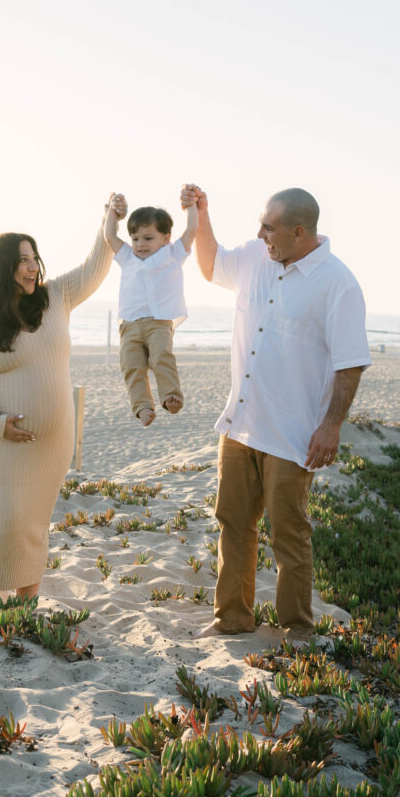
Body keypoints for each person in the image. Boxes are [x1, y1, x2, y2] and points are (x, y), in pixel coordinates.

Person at [186, 183, 370, 638]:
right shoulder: (255, 257)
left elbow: (350, 363)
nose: (260, 233)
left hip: (293, 433)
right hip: (241, 424)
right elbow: (209, 266)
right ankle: (231, 618)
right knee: (232, 524)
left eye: (269, 227)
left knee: (288, 534)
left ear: (299, 232)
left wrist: (331, 426)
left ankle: (297, 628)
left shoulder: (338, 283)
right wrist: (202, 216)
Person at [0, 199, 118, 599]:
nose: (32, 267)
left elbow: (95, 265)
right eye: (22, 260)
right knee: (5, 520)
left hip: (52, 440)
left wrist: (109, 219)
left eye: (34, 258)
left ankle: (26, 604)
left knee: (34, 522)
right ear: (0, 267)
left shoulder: (56, 296)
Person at [104, 191, 197, 426]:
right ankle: (143, 407)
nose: (140, 244)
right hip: (129, 325)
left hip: (159, 322)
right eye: (135, 238)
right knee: (131, 366)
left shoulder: (173, 254)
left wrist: (191, 207)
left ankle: (170, 395)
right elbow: (109, 235)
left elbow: (191, 231)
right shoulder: (127, 257)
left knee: (161, 357)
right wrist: (113, 213)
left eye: (148, 238)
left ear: (165, 238)